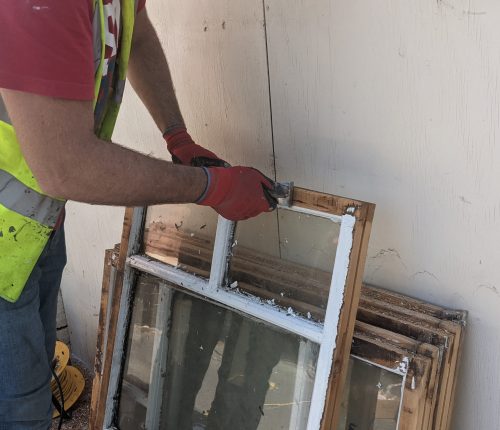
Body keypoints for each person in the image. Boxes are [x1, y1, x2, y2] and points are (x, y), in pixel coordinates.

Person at [0, 1, 277, 428]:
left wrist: (177, 135)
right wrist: (211, 187)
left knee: (33, 389)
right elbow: (65, 165)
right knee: (19, 412)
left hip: (31, 229)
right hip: (8, 243)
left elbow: (137, 31)